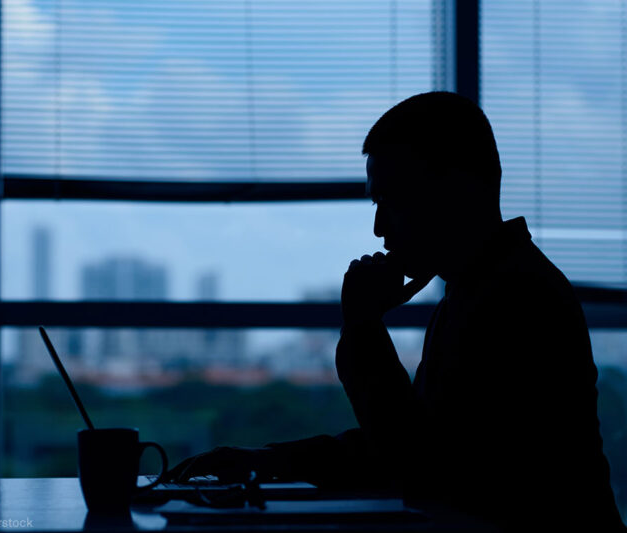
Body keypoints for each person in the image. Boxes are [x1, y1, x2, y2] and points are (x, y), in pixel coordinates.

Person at [167, 92, 625, 531]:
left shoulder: (517, 301)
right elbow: (417, 446)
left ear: (457, 188)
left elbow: (420, 467)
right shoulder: (484, 290)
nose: (379, 227)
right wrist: (265, 460)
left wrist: (364, 328)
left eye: (392, 201)